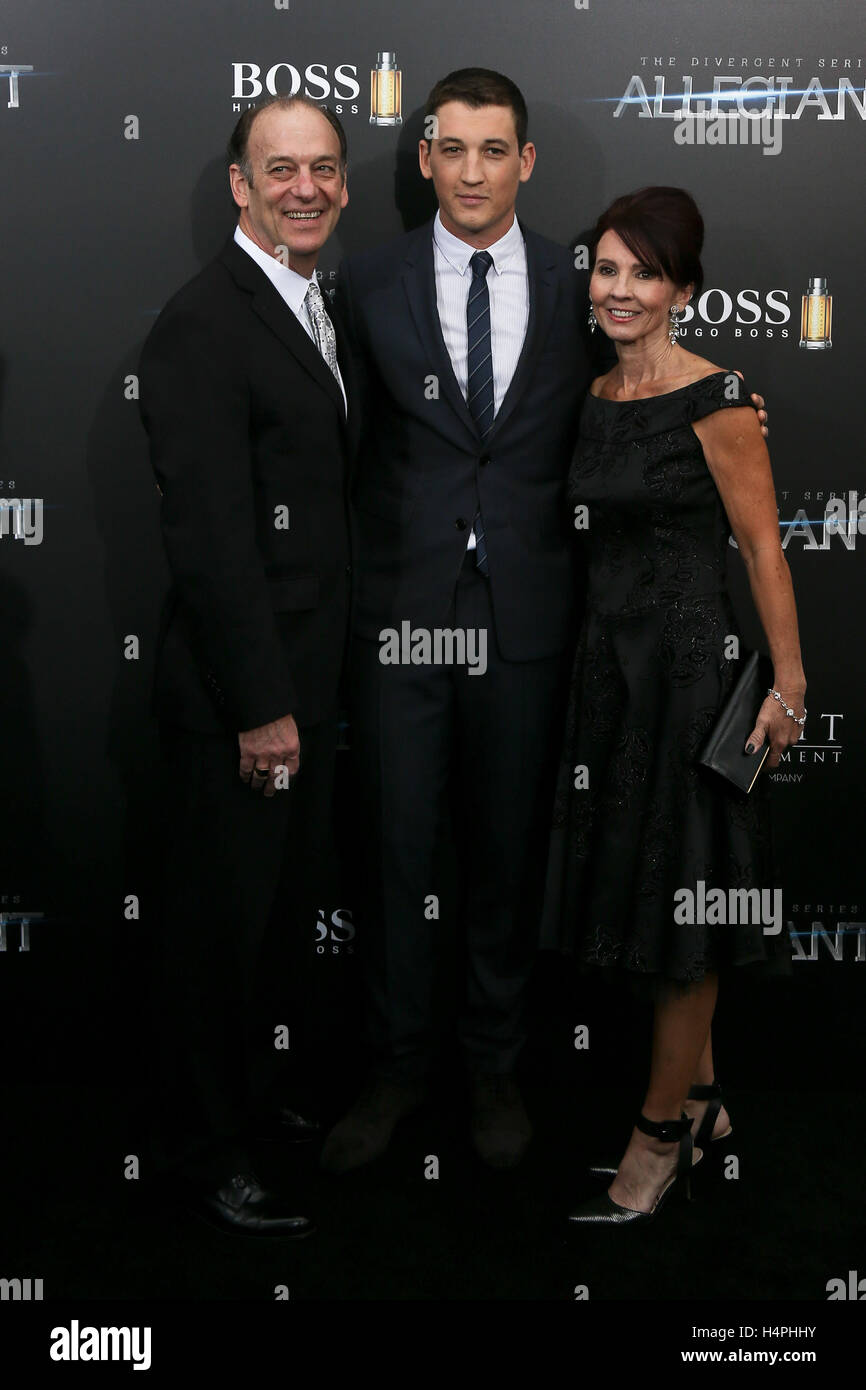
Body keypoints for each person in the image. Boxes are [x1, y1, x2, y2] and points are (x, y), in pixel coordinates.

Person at [322, 71, 768, 1174]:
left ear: (525, 163)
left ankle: (491, 1068)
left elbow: (653, 397)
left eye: (494, 150)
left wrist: (729, 403)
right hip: (402, 624)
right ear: (424, 158)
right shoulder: (365, 282)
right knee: (393, 854)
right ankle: (392, 1069)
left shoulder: (584, 284)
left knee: (509, 859)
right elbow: (338, 454)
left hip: (532, 625)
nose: (471, 170)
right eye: (452, 148)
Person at [545, 186, 805, 1227]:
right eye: (604, 269)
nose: (616, 289)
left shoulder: (719, 398)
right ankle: (700, 1108)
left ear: (680, 290)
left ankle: (652, 1145)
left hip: (693, 678)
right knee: (656, 904)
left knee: (688, 910)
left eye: (639, 273)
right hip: (611, 676)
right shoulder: (597, 394)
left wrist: (787, 686)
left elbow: (761, 547)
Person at [138, 96, 357, 1236]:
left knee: (268, 932)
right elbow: (213, 540)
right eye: (281, 171)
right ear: (239, 184)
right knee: (212, 941)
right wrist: (263, 709)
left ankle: (249, 1107)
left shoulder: (310, 303)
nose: (305, 188)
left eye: (323, 168)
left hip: (304, 688)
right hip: (241, 703)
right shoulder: (201, 323)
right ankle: (199, 1147)